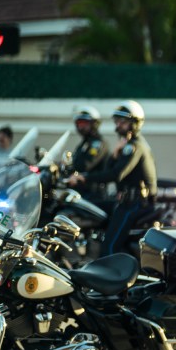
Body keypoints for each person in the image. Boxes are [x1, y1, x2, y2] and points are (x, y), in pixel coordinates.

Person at [69, 101, 157, 256]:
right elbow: (109, 169)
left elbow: (116, 174)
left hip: (135, 203)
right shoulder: (126, 146)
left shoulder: (135, 146)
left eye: (122, 122)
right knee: (88, 208)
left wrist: (84, 177)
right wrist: (115, 154)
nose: (118, 125)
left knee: (109, 247)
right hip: (126, 201)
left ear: (134, 123)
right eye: (117, 121)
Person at [71, 107, 110, 199]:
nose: (81, 127)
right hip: (81, 191)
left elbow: (84, 165)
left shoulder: (98, 143)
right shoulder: (84, 143)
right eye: (79, 123)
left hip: (94, 194)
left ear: (94, 124)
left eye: (84, 123)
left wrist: (71, 167)